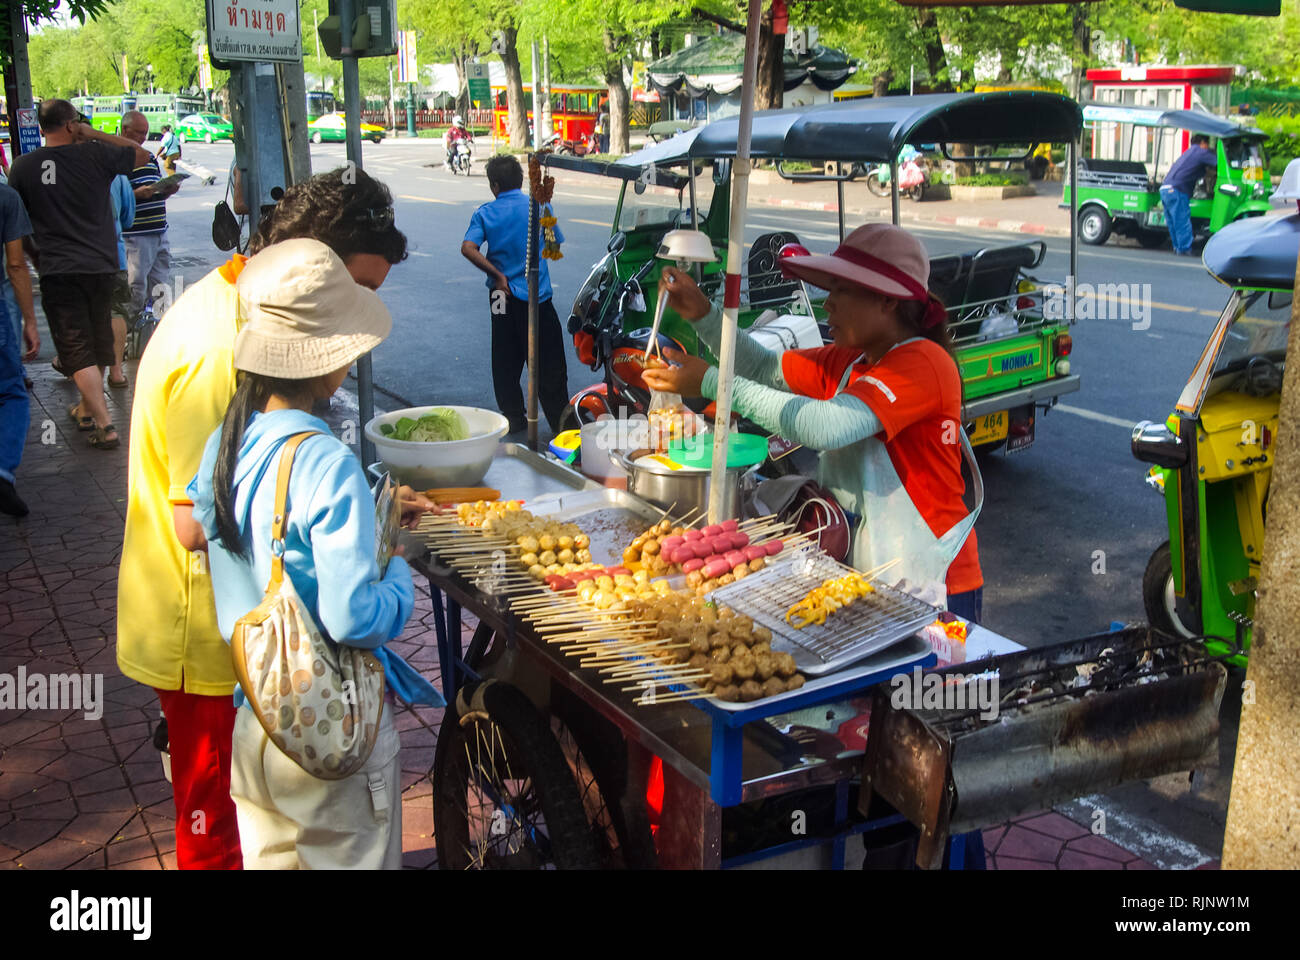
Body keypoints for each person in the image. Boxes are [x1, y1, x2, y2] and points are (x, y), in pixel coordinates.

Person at [115, 167, 427, 870]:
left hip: (251, 669)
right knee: (215, 842)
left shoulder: (251, 342)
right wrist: (386, 553)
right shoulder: (215, 350)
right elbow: (196, 525)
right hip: (220, 649)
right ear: (307, 273)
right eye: (359, 293)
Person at [186, 238, 441, 868]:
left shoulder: (228, 437)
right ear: (328, 359)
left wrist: (374, 519)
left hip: (257, 724)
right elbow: (355, 618)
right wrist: (399, 564)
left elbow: (247, 536)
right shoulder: (325, 460)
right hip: (330, 734)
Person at [642, 223, 984, 623]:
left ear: (887, 302)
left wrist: (709, 382)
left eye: (841, 290)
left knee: (922, 688)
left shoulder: (923, 363)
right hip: (870, 570)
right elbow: (762, 366)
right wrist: (701, 312)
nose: (827, 304)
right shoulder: (851, 359)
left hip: (934, 582)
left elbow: (824, 426)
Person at [7, 99, 152, 451]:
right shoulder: (94, 155)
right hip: (102, 264)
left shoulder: (23, 167)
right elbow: (141, 154)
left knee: (77, 347)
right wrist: (91, 133)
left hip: (58, 268)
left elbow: (17, 223)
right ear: (71, 124)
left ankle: (99, 419)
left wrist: (34, 257)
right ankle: (94, 414)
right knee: (97, 339)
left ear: (42, 127)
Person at [460, 154, 570, 435]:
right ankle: (560, 423)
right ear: (521, 181)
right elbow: (554, 244)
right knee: (549, 361)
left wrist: (498, 276)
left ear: (494, 186)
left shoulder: (485, 213)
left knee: (504, 358)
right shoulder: (538, 206)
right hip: (538, 297)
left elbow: (468, 248)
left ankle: (514, 418)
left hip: (501, 297)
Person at [120, 110, 179, 336]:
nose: (144, 138)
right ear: (125, 130)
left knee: (160, 284)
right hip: (136, 234)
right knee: (136, 288)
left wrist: (167, 190)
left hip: (158, 229)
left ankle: (159, 333)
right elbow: (113, 195)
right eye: (139, 133)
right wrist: (136, 194)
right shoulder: (117, 157)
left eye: (145, 133)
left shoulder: (148, 157)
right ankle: (126, 333)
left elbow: (155, 192)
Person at [0, 181, 37, 517]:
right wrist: (29, 320)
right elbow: (15, 264)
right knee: (11, 392)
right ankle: (2, 472)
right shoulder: (6, 196)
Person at [1159, 134, 1216, 256]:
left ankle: (1178, 247)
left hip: (1165, 189)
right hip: (1177, 190)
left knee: (1173, 222)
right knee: (1181, 220)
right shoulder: (1200, 152)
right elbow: (1218, 162)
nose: (1207, 147)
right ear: (1202, 142)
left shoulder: (1189, 152)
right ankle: (1184, 249)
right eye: (1207, 144)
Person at [106, 172, 135, 389]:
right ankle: (116, 372)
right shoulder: (117, 177)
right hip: (112, 255)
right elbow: (127, 219)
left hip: (73, 259)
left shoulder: (63, 168)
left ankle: (76, 370)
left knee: (82, 314)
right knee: (115, 312)